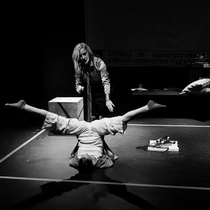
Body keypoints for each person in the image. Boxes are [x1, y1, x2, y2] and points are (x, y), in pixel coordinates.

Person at [5, 100, 166, 173]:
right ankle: (147, 107)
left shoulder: (76, 161)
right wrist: (104, 146)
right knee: (121, 120)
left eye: (82, 162)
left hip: (81, 130)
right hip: (96, 130)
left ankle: (24, 106)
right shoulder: (100, 162)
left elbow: (74, 155)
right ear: (91, 164)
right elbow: (109, 158)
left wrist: (79, 145)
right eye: (86, 162)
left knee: (55, 119)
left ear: (81, 163)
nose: (84, 159)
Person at [72, 43, 115, 122]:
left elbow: (106, 82)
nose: (83, 57)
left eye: (84, 54)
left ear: (88, 52)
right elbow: (77, 84)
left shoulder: (98, 63)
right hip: (88, 97)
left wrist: (108, 99)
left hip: (100, 95)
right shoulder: (79, 66)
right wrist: (79, 88)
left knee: (100, 123)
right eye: (80, 56)